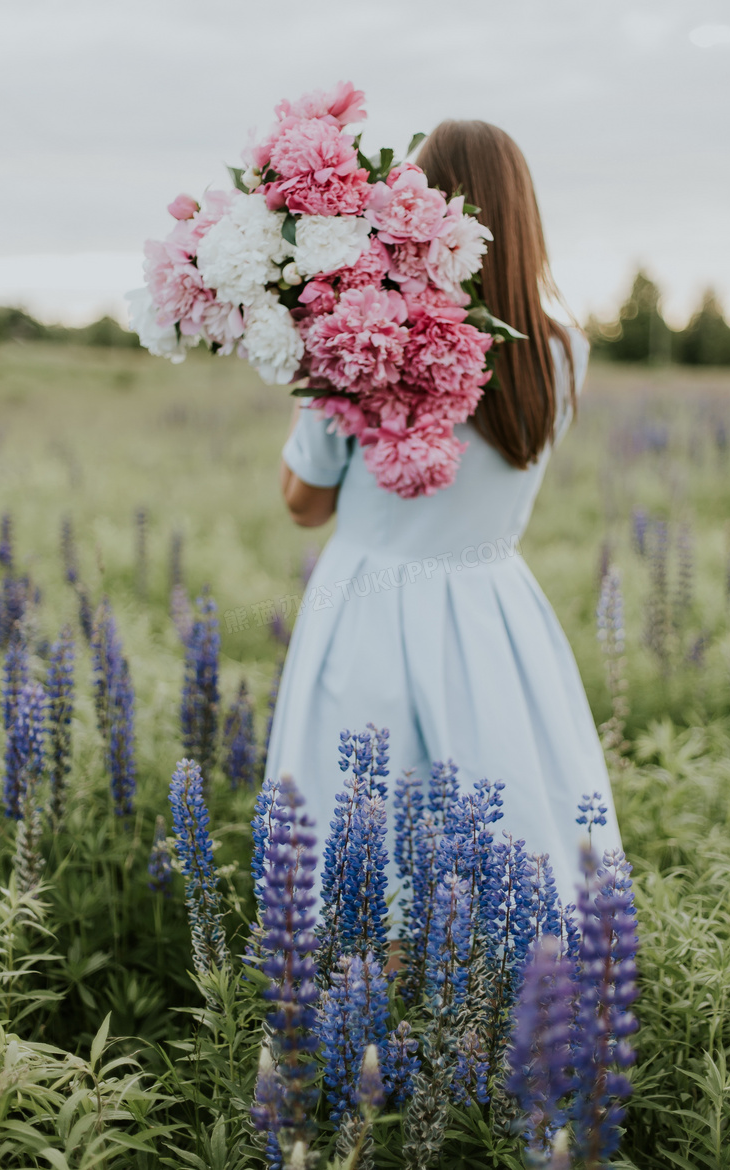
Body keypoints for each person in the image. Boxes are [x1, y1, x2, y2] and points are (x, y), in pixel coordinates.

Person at [268, 119, 623, 911]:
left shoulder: (367, 336)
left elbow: (302, 504)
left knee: (362, 861)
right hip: (493, 609)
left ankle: (352, 1019)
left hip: (368, 607)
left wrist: (309, 366)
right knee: (507, 845)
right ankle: (503, 1020)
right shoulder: (562, 351)